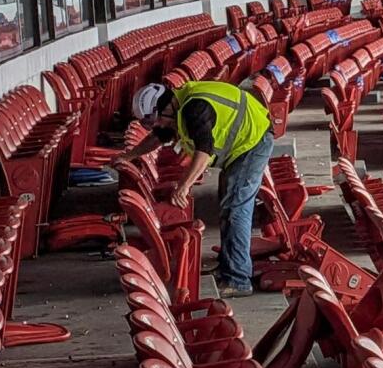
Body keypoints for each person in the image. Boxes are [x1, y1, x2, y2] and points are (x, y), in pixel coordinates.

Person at [114, 81, 273, 298]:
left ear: (167, 106)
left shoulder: (194, 108)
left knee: (236, 209)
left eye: (157, 118)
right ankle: (229, 268)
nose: (158, 124)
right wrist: (128, 156)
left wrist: (184, 185)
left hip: (253, 141)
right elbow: (157, 138)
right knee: (229, 207)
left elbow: (204, 151)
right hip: (244, 142)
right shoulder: (176, 108)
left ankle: (238, 279)